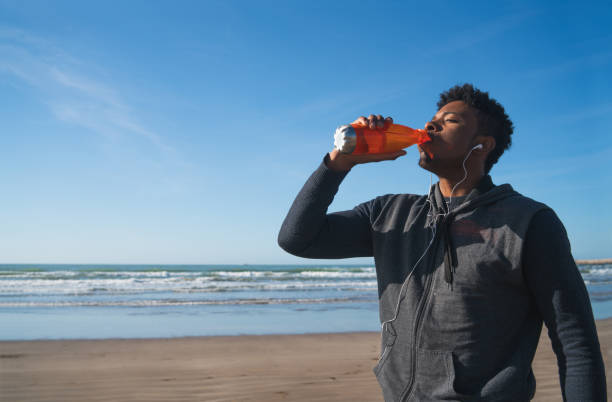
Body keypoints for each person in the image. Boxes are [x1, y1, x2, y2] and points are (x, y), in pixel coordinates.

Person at [277, 84, 606, 401]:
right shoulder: (389, 214)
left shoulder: (529, 222)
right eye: (431, 120)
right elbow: (297, 239)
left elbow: (575, 342)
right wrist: (341, 161)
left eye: (450, 121)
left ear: (483, 144)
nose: (430, 125)